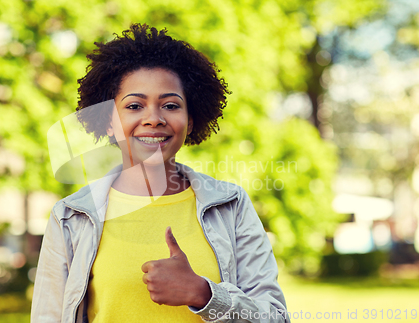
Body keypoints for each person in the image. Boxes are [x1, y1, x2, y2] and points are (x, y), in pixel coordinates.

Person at [31, 23, 289, 323]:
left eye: (169, 105)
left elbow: (276, 317)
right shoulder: (71, 217)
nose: (153, 119)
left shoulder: (231, 205)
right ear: (110, 122)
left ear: (190, 121)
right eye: (135, 105)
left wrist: (204, 294)